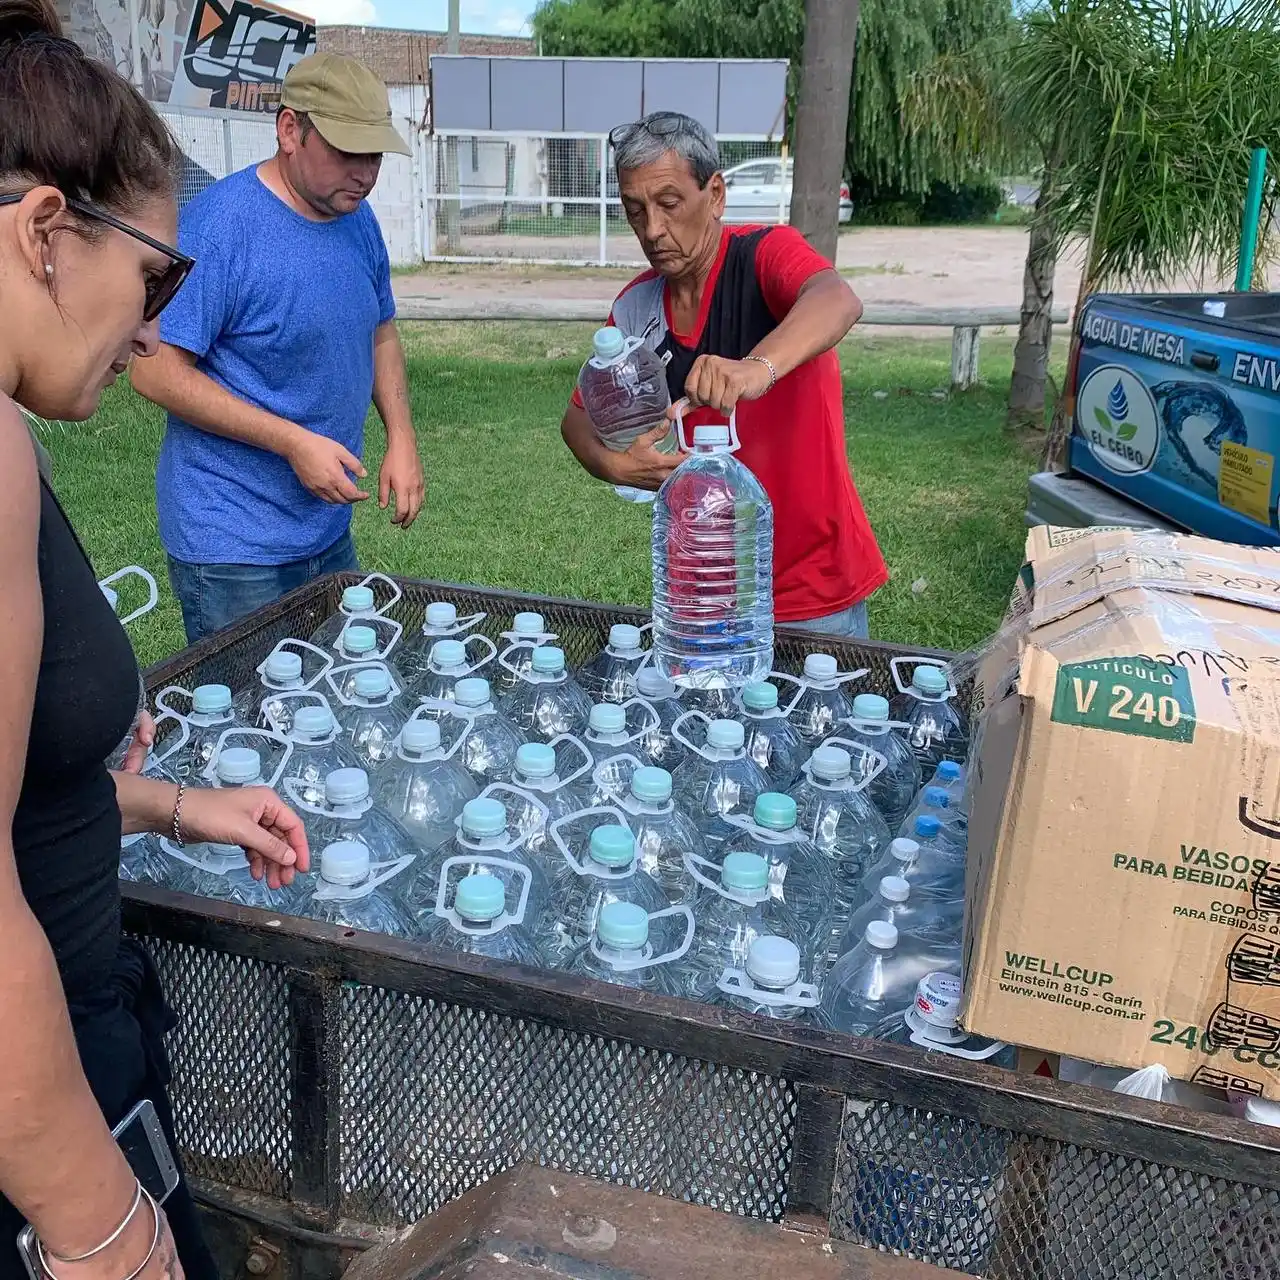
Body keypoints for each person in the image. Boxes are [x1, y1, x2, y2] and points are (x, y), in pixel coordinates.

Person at [0, 3, 310, 1277]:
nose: (147, 332)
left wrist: (175, 805)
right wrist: (102, 1226)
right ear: (44, 232)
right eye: (156, 279)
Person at [130, 52, 425, 645]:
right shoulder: (219, 227)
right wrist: (291, 441)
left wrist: (401, 436)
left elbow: (381, 330)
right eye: (347, 152)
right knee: (251, 704)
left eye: (374, 155)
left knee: (341, 691)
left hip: (326, 530)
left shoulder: (358, 221)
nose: (365, 174)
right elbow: (154, 371)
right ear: (290, 130)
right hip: (232, 545)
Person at [560, 112, 887, 637]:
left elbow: (837, 299)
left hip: (813, 588)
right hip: (701, 588)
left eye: (669, 204)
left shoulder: (764, 255)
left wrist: (758, 367)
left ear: (715, 194)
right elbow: (577, 420)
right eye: (635, 210)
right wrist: (616, 465)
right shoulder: (637, 307)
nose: (652, 230)